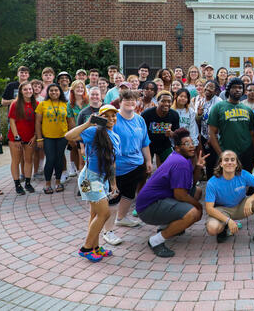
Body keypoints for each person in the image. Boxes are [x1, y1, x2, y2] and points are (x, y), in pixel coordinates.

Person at [136, 128, 205, 257]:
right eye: (186, 144)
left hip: (157, 201)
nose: (191, 146)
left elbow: (190, 184)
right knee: (193, 213)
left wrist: (199, 167)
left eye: (192, 143)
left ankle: (167, 226)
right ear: (178, 148)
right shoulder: (180, 163)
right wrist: (198, 206)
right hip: (148, 208)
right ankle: (156, 241)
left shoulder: (182, 158)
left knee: (197, 192)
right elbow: (180, 194)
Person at [66, 104, 120, 262]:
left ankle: (95, 247)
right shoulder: (93, 131)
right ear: (100, 117)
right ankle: (86, 248)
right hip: (88, 178)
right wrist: (88, 123)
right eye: (107, 116)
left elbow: (112, 163)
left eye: (113, 115)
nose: (111, 119)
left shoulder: (114, 136)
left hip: (102, 179)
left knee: (95, 213)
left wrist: (113, 184)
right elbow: (69, 136)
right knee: (104, 213)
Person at [102, 90, 153, 246]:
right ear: (120, 102)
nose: (131, 103)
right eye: (127, 100)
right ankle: (108, 232)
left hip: (136, 165)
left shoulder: (139, 120)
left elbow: (145, 142)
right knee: (113, 199)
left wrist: (149, 160)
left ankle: (122, 218)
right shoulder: (113, 119)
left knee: (129, 195)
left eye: (133, 100)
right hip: (117, 167)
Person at [205, 150, 254, 249]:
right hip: (222, 210)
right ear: (221, 164)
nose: (230, 162)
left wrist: (250, 199)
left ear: (236, 163)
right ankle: (224, 228)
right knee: (212, 229)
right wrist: (228, 221)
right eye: (226, 160)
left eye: (232, 160)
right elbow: (209, 209)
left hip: (241, 206)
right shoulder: (212, 182)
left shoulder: (243, 174)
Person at [208, 78, 254, 173]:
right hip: (227, 152)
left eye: (240, 87)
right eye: (234, 87)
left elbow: (253, 135)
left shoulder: (248, 110)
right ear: (228, 89)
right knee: (227, 181)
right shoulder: (218, 107)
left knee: (243, 182)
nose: (238, 90)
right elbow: (212, 133)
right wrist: (221, 154)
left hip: (246, 152)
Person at [35, 83, 74, 193]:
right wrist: (39, 138)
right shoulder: (42, 104)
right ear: (48, 92)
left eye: (56, 90)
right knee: (50, 159)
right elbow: (37, 122)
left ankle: (58, 182)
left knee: (59, 159)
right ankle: (47, 184)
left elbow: (70, 121)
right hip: (48, 137)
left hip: (63, 136)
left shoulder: (66, 104)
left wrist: (71, 137)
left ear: (60, 92)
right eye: (51, 90)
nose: (54, 92)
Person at [8, 82, 38, 195]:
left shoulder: (37, 104)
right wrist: (16, 137)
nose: (28, 91)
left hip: (30, 138)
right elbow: (12, 121)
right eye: (25, 89)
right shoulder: (15, 104)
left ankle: (28, 183)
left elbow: (38, 123)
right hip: (16, 138)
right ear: (21, 91)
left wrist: (35, 136)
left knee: (29, 160)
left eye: (30, 89)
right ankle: (17, 184)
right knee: (16, 161)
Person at [142, 91, 180, 165]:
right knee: (145, 169)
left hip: (164, 144)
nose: (166, 104)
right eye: (163, 101)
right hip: (149, 144)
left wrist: (171, 134)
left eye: (169, 101)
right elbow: (141, 133)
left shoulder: (174, 115)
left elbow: (176, 134)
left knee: (167, 167)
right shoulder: (147, 114)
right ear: (157, 101)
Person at [194, 80, 223, 179]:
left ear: (215, 91)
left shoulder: (218, 101)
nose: (207, 89)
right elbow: (197, 120)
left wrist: (213, 137)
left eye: (211, 87)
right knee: (206, 161)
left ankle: (215, 183)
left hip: (215, 137)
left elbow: (220, 120)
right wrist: (198, 114)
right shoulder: (199, 100)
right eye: (206, 86)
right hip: (203, 135)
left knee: (214, 162)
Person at [68, 80, 89, 175]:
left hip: (89, 133)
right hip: (79, 134)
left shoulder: (88, 101)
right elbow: (71, 121)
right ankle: (82, 185)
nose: (80, 89)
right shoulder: (70, 104)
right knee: (81, 160)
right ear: (73, 89)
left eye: (82, 87)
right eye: (77, 87)